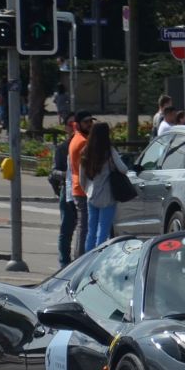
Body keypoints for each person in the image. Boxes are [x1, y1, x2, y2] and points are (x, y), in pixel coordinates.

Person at [79, 121, 128, 252]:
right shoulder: (109, 151)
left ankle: (87, 259)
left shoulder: (85, 151)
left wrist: (87, 192)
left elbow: (81, 179)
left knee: (91, 231)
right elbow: (123, 169)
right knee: (103, 231)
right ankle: (99, 257)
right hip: (107, 195)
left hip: (91, 195)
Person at [52, 112, 78, 267]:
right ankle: (64, 264)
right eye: (70, 124)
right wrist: (68, 174)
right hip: (67, 191)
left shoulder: (87, 144)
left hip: (85, 193)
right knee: (66, 229)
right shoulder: (62, 148)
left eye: (76, 124)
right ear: (66, 128)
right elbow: (54, 171)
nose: (74, 127)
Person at [69, 110, 94, 256]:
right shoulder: (83, 141)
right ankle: (79, 258)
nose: (90, 124)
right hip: (83, 188)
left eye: (91, 121)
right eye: (86, 122)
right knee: (84, 226)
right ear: (78, 125)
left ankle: (79, 257)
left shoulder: (77, 138)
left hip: (79, 187)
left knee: (83, 225)